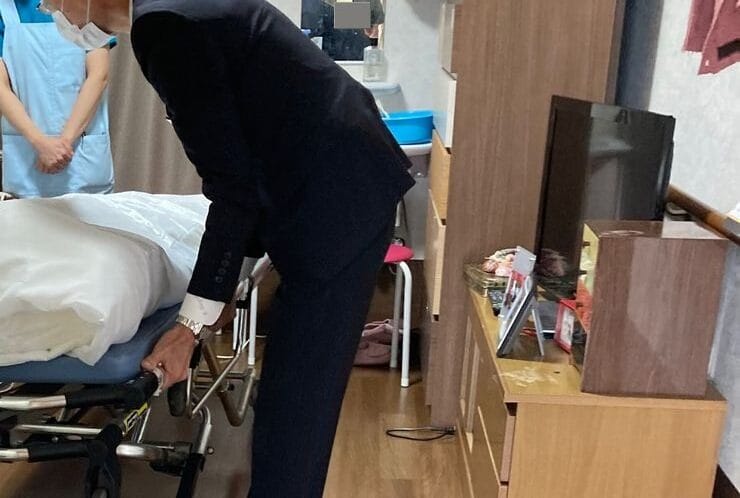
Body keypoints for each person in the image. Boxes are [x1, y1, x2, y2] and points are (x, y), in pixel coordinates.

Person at [39, 1, 414, 496]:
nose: (47, 8)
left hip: (337, 196)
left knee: (298, 402)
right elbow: (246, 154)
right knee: (291, 394)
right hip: (335, 180)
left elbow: (233, 186)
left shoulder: (163, 27)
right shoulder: (173, 9)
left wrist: (190, 325)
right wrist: (220, 290)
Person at [0, 0, 115, 198]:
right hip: (27, 156)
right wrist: (40, 143)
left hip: (83, 154)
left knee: (89, 216)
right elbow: (2, 88)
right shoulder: (4, 10)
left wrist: (64, 143)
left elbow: (98, 76)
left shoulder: (87, 4)